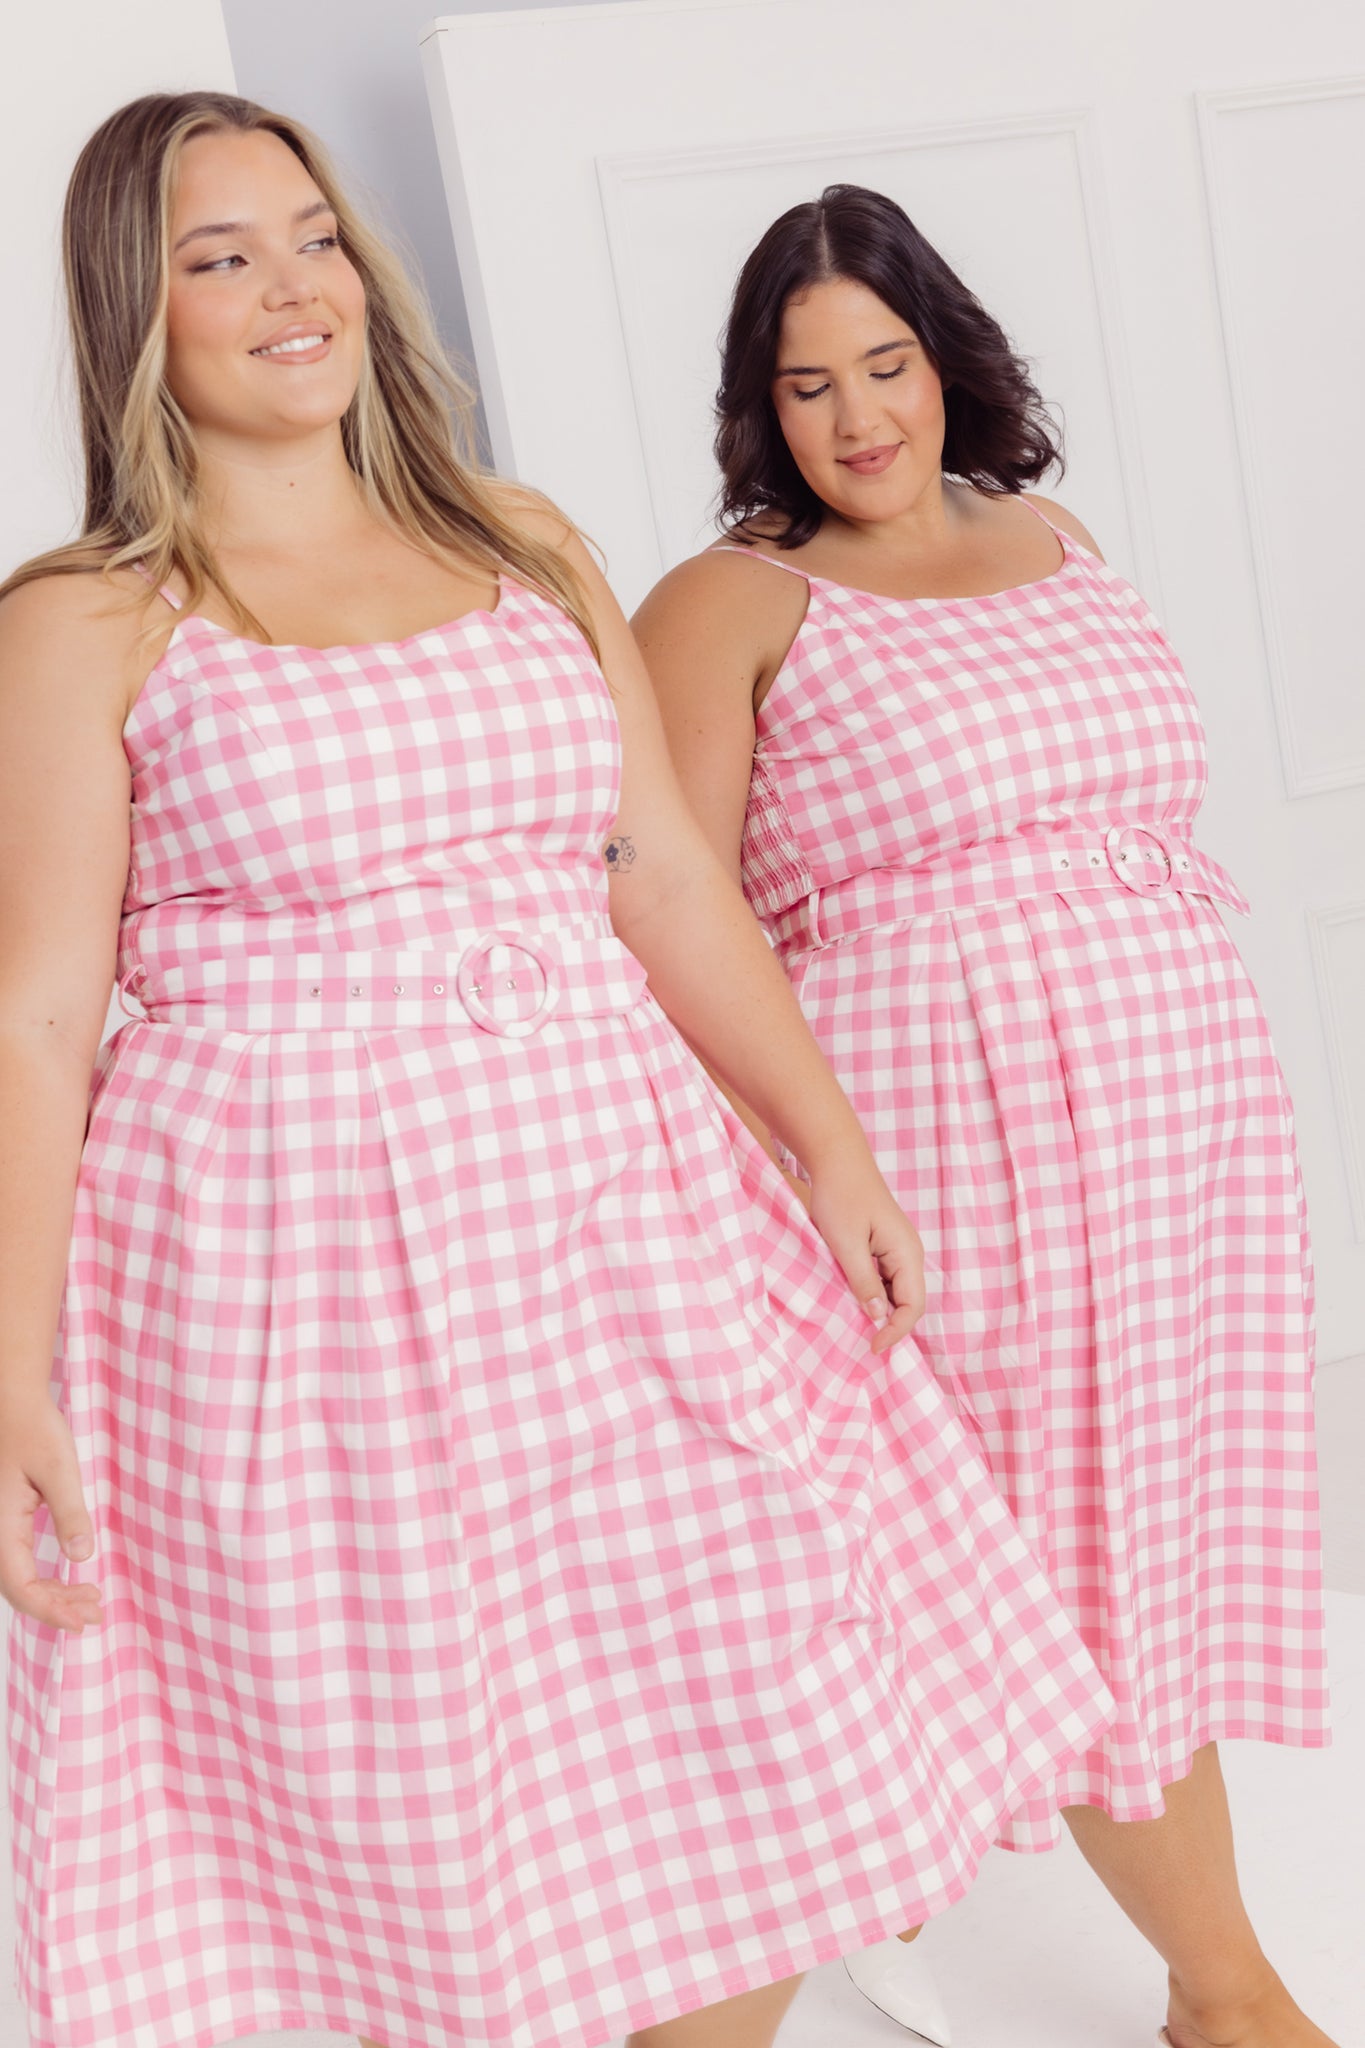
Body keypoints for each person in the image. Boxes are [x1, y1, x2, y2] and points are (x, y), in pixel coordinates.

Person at [0, 100, 1115, 2048]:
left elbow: (663, 874)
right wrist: (7, 1354)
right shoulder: (86, 620)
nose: (289, 290)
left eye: (313, 236)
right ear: (131, 310)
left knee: (742, 1697)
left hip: (618, 1216)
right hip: (297, 1280)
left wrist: (826, 1141)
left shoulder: (515, 545)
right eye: (216, 256)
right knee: (413, 1782)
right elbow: (33, 1010)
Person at [634, 183, 1334, 2048]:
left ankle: (1222, 1985)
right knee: (892, 1585)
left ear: (947, 362)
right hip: (934, 1167)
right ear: (755, 410)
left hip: (1174, 1141)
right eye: (807, 387)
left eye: (887, 364)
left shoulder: (1058, 542)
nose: (859, 418)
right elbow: (664, 915)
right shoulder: (727, 603)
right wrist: (761, 1189)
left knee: (1135, 1558)